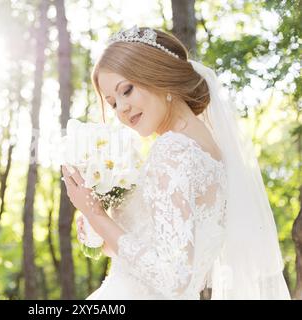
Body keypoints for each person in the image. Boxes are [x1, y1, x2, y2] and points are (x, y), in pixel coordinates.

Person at [61, 25, 290, 299]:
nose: (121, 108)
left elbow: (173, 278)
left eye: (127, 90)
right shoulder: (208, 149)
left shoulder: (172, 150)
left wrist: (95, 213)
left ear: (158, 75)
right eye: (111, 103)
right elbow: (146, 255)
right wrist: (97, 223)